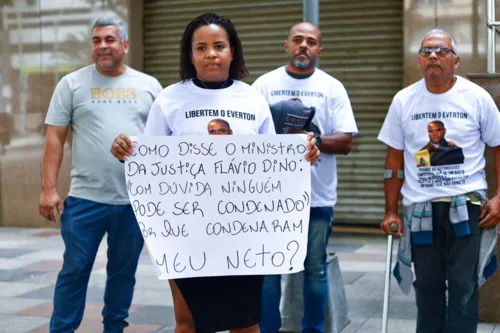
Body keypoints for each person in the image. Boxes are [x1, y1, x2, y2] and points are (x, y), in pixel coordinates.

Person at [109, 13, 320, 333]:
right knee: (187, 322)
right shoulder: (170, 99)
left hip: (244, 232)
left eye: (219, 46)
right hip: (185, 233)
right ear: (190, 55)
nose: (211, 53)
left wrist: (301, 152)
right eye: (201, 47)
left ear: (232, 51)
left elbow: (272, 166)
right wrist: (127, 151)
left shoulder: (252, 99)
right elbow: (150, 161)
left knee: (246, 323)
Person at [39, 17, 163, 333]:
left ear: (125, 45)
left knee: (123, 272)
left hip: (132, 202)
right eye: (97, 40)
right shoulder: (71, 84)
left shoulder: (149, 86)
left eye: (109, 39)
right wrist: (48, 189)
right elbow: (55, 137)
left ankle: (114, 328)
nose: (102, 46)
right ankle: (62, 329)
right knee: (75, 269)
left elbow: (163, 142)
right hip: (85, 199)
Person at [378, 28, 500, 333]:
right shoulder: (404, 101)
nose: (433, 55)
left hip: (468, 208)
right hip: (421, 211)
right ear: (419, 62)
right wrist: (391, 210)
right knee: (428, 287)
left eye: (441, 50)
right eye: (426, 51)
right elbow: (394, 160)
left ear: (455, 60)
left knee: (463, 286)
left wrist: (499, 198)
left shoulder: (477, 98)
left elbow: (498, 147)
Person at [252, 22, 358, 333]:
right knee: (269, 271)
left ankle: (313, 329)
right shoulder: (264, 85)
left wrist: (310, 141)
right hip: (269, 198)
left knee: (314, 270)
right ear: (286, 45)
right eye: (297, 40)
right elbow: (248, 139)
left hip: (317, 197)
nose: (303, 46)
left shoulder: (332, 87)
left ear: (319, 49)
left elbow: (346, 142)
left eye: (310, 42)